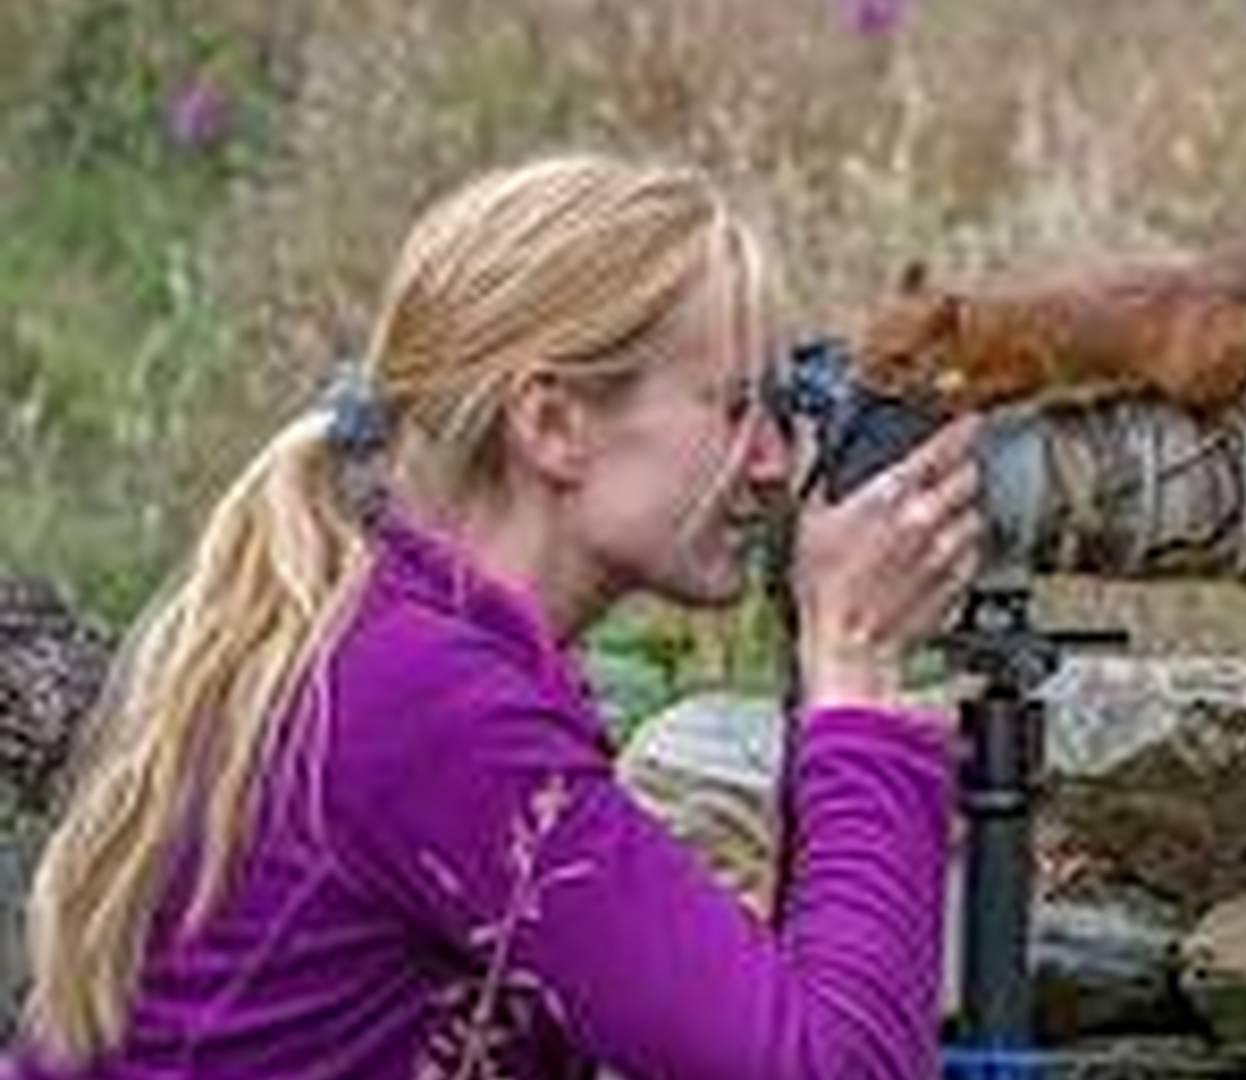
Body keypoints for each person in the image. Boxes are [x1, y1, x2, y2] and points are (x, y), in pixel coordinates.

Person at [11, 153, 983, 1078]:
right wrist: (855, 663)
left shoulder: (387, 641)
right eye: (734, 408)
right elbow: (829, 1066)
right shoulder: (426, 703)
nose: (773, 462)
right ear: (552, 424)